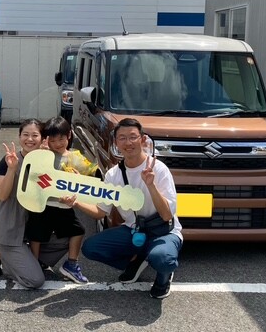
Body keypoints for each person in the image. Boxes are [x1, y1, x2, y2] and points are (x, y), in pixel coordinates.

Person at [61, 118, 182, 299]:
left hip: (163, 230)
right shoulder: (113, 175)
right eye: (122, 138)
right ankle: (136, 260)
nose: (128, 143)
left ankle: (164, 277)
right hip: (134, 230)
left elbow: (166, 215)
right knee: (91, 248)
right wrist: (76, 202)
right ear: (116, 143)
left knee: (163, 259)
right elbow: (101, 212)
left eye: (133, 137)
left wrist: (151, 185)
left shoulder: (159, 169)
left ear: (142, 140)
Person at [0, 119, 58, 288]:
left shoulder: (47, 160)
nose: (30, 139)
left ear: (43, 139)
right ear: (19, 137)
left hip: (34, 228)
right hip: (10, 230)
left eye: (35, 135)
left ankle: (20, 259)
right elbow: (3, 195)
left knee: (65, 240)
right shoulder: (9, 160)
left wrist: (45, 162)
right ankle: (0, 254)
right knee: (35, 280)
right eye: (25, 134)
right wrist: (12, 169)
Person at [26, 117, 94, 284]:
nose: (57, 144)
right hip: (44, 204)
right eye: (53, 140)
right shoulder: (44, 155)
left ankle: (72, 264)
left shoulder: (75, 157)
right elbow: (33, 176)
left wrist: (80, 179)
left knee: (78, 230)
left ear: (69, 135)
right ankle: (34, 264)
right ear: (46, 140)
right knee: (36, 235)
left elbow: (89, 176)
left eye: (61, 139)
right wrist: (41, 154)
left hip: (64, 206)